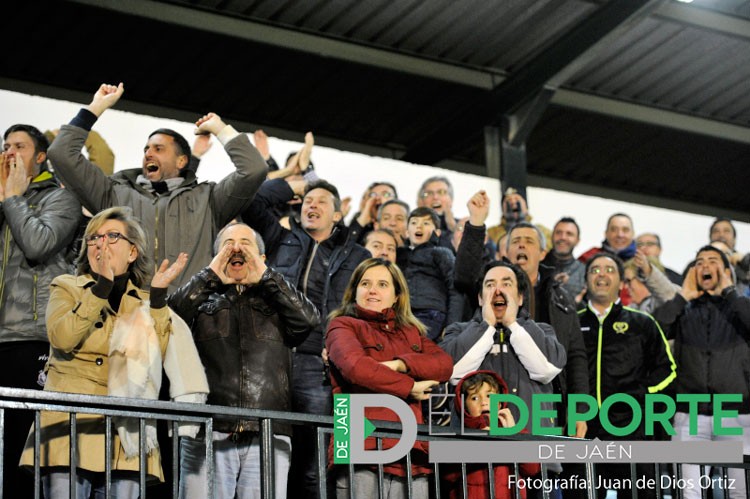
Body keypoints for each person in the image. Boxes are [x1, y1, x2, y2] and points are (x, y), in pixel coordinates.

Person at [19, 206, 188, 497]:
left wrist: (159, 300)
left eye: (112, 236)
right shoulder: (67, 287)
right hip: (70, 427)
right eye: (94, 237)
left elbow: (155, 360)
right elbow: (63, 337)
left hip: (126, 434)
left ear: (132, 252)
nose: (101, 244)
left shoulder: (148, 302)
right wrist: (100, 289)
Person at [47, 82, 268, 290]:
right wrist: (96, 107)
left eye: (158, 149)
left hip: (189, 316)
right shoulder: (113, 193)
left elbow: (253, 169)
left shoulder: (209, 199)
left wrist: (221, 129)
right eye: (146, 149)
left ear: (182, 161)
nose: (148, 154)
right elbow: (61, 154)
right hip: (127, 314)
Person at [169, 222, 320, 499]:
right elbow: (170, 318)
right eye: (227, 244)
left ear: (263, 260)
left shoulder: (279, 302)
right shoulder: (200, 300)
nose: (236, 248)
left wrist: (266, 277)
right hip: (208, 429)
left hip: (268, 431)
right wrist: (209, 277)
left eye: (245, 244)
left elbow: (309, 319)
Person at [241, 178, 370, 497]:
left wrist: (343, 347)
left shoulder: (356, 254)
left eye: (321, 201)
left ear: (338, 215)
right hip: (271, 359)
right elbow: (250, 203)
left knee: (315, 460)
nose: (312, 205)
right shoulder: (279, 239)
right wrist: (290, 185)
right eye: (307, 200)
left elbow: (361, 307)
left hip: (319, 365)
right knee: (269, 456)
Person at [326, 258, 453, 498]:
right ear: (354, 291)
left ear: (397, 296)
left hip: (410, 452)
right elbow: (356, 368)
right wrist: (410, 387)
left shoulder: (411, 332)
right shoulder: (341, 325)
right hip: (358, 445)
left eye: (382, 284)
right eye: (365, 283)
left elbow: (444, 365)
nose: (372, 289)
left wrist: (399, 364)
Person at [0, 124, 82, 497]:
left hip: (29, 338)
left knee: (19, 448)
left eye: (19, 146)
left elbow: (37, 244)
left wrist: (14, 198)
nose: (9, 152)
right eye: (5, 146)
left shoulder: (59, 199)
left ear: (40, 156)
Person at [576, 253, 676, 499]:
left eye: (609, 270)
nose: (602, 274)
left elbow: (668, 369)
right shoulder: (570, 323)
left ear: (622, 282)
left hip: (631, 431)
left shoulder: (642, 323)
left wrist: (640, 395)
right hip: (582, 431)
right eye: (595, 270)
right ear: (586, 280)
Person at [654, 245, 750, 499]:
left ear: (727, 270)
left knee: (740, 492)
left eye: (712, 261)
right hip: (691, 413)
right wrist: (682, 296)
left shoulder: (740, 307)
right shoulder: (684, 309)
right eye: (699, 262)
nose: (705, 266)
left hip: (735, 413)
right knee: (689, 493)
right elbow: (652, 334)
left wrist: (730, 292)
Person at [441, 260, 566, 429]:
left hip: (531, 445)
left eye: (506, 284)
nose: (498, 291)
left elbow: (547, 369)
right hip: (475, 448)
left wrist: (513, 324)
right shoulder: (456, 331)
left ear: (520, 298)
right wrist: (486, 326)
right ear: (480, 298)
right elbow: (451, 371)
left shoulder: (543, 330)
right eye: (490, 285)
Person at [506, 222, 589, 438]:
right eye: (516, 241)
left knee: (547, 468)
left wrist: (579, 410)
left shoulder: (561, 297)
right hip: (505, 399)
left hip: (550, 400)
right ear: (506, 252)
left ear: (543, 253)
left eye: (529, 241)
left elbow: (576, 355)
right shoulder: (490, 292)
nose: (522, 246)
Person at [444, 370, 540, 499]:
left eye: (489, 396)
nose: (483, 402)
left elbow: (532, 468)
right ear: (464, 407)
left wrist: (514, 435)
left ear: (500, 402)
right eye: (474, 398)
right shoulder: (459, 435)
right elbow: (448, 473)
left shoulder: (515, 430)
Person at [398, 207, 462, 340]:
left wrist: (451, 326)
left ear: (437, 233)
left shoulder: (440, 253)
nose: (419, 226)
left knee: (408, 344)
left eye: (426, 223)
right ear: (406, 232)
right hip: (401, 315)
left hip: (429, 313)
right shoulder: (399, 255)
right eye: (414, 223)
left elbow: (455, 288)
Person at [578, 213, 637, 304]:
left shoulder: (641, 263)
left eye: (625, 230)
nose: (620, 235)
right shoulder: (589, 257)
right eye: (614, 230)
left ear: (633, 234)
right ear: (606, 233)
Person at [487, 188, 551, 251]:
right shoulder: (491, 232)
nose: (513, 202)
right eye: (508, 201)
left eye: (517, 199)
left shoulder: (542, 231)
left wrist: (523, 226)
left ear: (526, 206)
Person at [541, 217, 586, 301]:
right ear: (552, 236)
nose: (563, 237)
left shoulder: (584, 272)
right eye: (558, 233)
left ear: (577, 241)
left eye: (569, 234)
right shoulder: (538, 266)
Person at [347, 181, 398, 246]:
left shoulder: (406, 226)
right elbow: (344, 248)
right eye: (373, 195)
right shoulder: (361, 231)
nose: (378, 198)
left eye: (386, 194)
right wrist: (362, 220)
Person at [416, 176, 456, 248]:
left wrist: (453, 229)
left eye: (441, 192)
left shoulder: (463, 226)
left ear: (451, 200)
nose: (435, 197)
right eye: (429, 193)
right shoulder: (412, 226)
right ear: (421, 201)